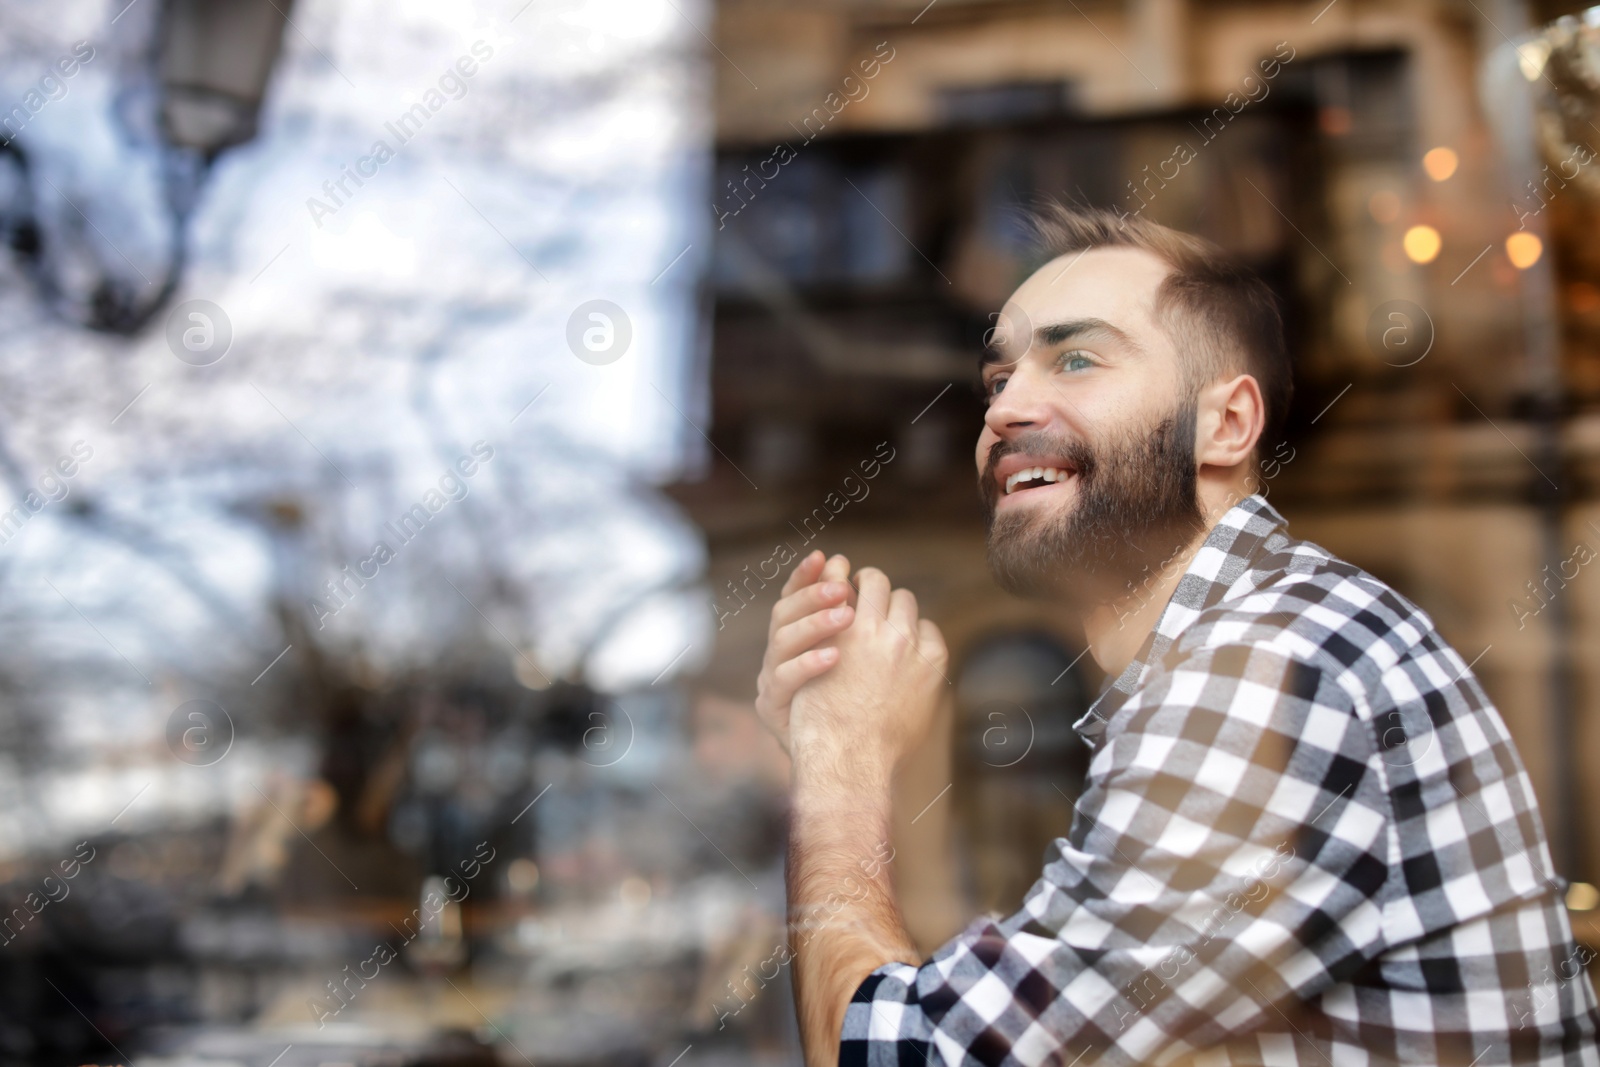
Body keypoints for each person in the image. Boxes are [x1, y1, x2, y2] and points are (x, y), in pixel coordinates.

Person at [753, 204, 1600, 1066]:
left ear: (1225, 425)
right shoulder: (1253, 648)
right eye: (996, 380)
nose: (1006, 409)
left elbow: (903, 1056)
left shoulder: (1267, 665)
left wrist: (841, 760)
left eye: (1075, 359)